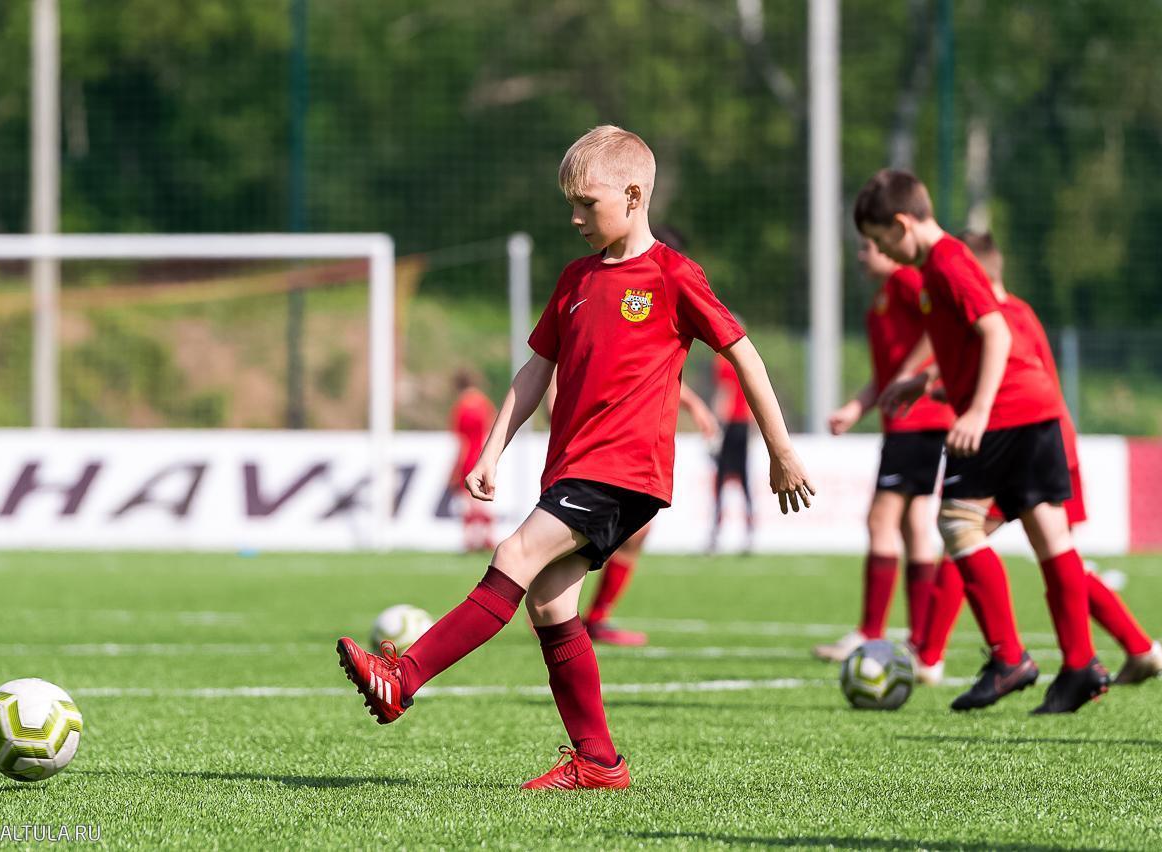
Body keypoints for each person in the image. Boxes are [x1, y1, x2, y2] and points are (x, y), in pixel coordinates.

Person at [336, 125, 815, 789]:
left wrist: (781, 452)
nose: (576, 218)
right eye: (571, 204)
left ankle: (403, 677)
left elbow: (744, 354)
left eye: (588, 204)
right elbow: (535, 371)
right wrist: (492, 450)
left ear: (634, 195)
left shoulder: (673, 275)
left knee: (514, 555)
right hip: (574, 467)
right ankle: (598, 762)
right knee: (550, 603)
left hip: (624, 469)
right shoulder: (576, 279)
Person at [860, 167, 1107, 714]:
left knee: (957, 522)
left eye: (881, 241)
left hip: (1006, 410)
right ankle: (1080, 665)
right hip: (1033, 405)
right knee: (1049, 533)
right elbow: (966, 339)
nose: (885, 254)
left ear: (902, 224)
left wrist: (976, 410)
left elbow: (994, 330)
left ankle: (1009, 657)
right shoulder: (935, 266)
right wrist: (924, 381)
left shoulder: (947, 262)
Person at [914, 231, 1162, 686]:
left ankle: (930, 658)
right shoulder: (1018, 311)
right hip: (1046, 440)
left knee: (965, 535)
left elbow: (1009, 376)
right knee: (1053, 554)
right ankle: (1138, 647)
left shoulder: (1002, 316)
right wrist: (941, 386)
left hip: (1029, 444)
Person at [812, 239, 955, 662]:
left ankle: (871, 633)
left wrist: (911, 372)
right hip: (911, 422)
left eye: (869, 246)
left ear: (890, 248)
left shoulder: (907, 280)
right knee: (913, 525)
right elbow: (886, 375)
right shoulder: (882, 297)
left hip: (919, 419)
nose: (861, 255)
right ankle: (921, 639)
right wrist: (856, 408)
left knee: (881, 519)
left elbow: (941, 324)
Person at [579, 222, 721, 647]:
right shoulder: (613, 289)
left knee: (634, 532)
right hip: (603, 438)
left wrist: (693, 404)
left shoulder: (667, 293)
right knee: (575, 531)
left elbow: (653, 366)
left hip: (641, 445)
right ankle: (552, 607)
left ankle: (594, 617)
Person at [709, 333, 757, 553]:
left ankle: (715, 533)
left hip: (730, 426)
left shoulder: (723, 360)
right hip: (743, 425)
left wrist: (718, 426)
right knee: (744, 480)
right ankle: (750, 532)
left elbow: (725, 394)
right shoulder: (746, 357)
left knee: (720, 481)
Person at [448, 369, 497, 552]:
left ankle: (470, 539)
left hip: (467, 456)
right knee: (481, 499)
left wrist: (455, 468)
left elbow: (461, 441)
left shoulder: (460, 407)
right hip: (482, 454)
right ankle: (487, 536)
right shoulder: (484, 403)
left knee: (468, 501)